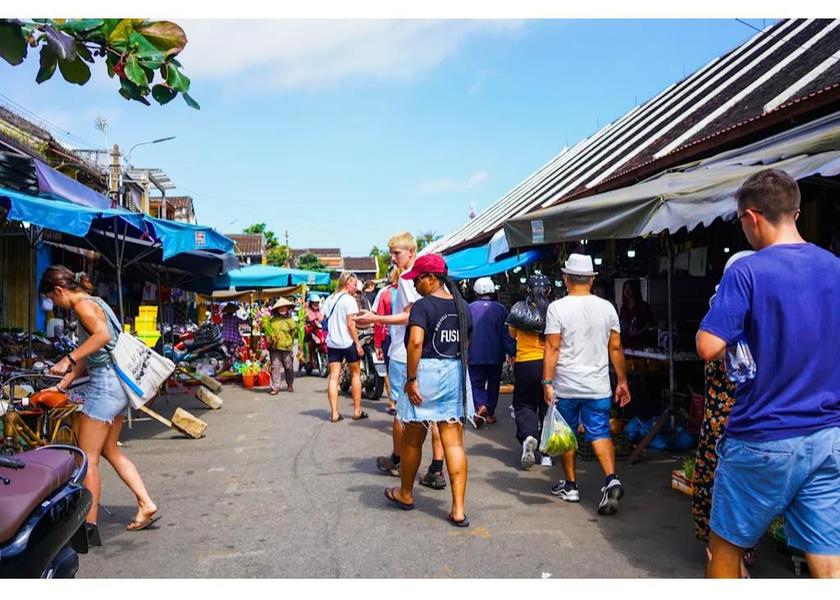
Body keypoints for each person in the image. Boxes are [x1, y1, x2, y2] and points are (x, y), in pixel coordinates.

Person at [696, 169, 840, 579]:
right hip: (828, 436)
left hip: (763, 435)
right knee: (829, 560)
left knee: (725, 549)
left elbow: (708, 346)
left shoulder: (747, 272)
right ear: (794, 211)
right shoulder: (835, 268)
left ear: (752, 217)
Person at [40, 266, 159, 545]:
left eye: (51, 299)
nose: (54, 305)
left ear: (59, 291)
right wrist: (61, 385)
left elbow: (102, 337)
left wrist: (67, 358)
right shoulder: (96, 302)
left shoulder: (82, 305)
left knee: (86, 457)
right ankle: (146, 503)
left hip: (105, 387)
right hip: (116, 386)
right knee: (109, 450)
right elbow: (92, 353)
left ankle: (88, 527)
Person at [381, 254, 474, 526]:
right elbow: (467, 341)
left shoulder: (422, 307)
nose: (415, 285)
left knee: (413, 438)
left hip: (425, 373)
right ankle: (458, 510)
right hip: (455, 370)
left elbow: (416, 342)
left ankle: (406, 493)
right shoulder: (463, 306)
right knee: (454, 443)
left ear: (431, 278)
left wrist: (411, 379)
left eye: (418, 280)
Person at [357, 232, 447, 490]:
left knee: (402, 414)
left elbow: (411, 317)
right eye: (393, 253)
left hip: (404, 353)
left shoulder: (410, 281)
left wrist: (376, 319)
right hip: (429, 353)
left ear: (411, 251)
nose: (394, 259)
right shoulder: (427, 281)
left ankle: (399, 460)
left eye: (397, 253)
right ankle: (436, 468)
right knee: (437, 415)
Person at [543, 253, 631, 515]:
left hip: (567, 385)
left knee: (566, 434)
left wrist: (547, 381)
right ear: (592, 280)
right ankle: (611, 479)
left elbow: (552, 346)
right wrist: (623, 381)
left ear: (566, 278)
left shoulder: (557, 308)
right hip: (598, 385)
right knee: (600, 432)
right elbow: (615, 347)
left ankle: (571, 486)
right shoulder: (607, 308)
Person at [692, 250, 755, 578]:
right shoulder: (761, 314)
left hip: (726, 424)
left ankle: (728, 560)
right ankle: (737, 557)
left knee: (721, 491)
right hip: (752, 421)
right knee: (743, 494)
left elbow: (707, 350)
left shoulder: (722, 315)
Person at [508, 274, 552, 469]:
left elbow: (512, 334)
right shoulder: (554, 310)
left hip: (525, 363)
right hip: (549, 363)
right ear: (549, 290)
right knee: (547, 406)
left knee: (525, 404)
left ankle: (528, 437)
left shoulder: (520, 309)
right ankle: (547, 455)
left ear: (528, 291)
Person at [322, 271, 368, 422]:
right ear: (347, 283)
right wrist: (357, 344)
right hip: (347, 342)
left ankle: (334, 413)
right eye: (354, 284)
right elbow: (351, 324)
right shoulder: (349, 300)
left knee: (334, 376)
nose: (356, 287)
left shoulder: (330, 298)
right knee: (355, 374)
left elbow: (323, 318)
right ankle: (357, 410)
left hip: (332, 343)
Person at [468, 277, 512, 426]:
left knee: (476, 383)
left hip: (474, 354)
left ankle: (480, 405)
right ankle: (489, 412)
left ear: (476, 292)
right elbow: (506, 334)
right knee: (494, 383)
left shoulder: (469, 308)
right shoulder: (501, 309)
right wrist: (512, 352)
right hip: (496, 354)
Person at [373, 265, 400, 415]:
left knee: (388, 369)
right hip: (407, 337)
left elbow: (378, 320)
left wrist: (377, 343)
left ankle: (392, 402)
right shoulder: (413, 291)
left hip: (388, 337)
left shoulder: (385, 294)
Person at [262, 297, 298, 394]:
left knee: (288, 366)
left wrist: (289, 342)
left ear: (287, 308)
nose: (282, 309)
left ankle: (289, 384)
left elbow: (294, 333)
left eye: (284, 307)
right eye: (280, 308)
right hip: (274, 348)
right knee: (275, 366)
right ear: (277, 309)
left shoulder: (291, 321)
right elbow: (267, 332)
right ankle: (275, 387)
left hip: (286, 347)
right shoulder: (272, 321)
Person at [619, 279, 657, 348]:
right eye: (625, 288)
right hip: (627, 341)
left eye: (629, 288)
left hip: (641, 341)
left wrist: (638, 332)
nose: (627, 291)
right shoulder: (624, 307)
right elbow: (621, 321)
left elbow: (650, 322)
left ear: (634, 290)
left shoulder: (643, 305)